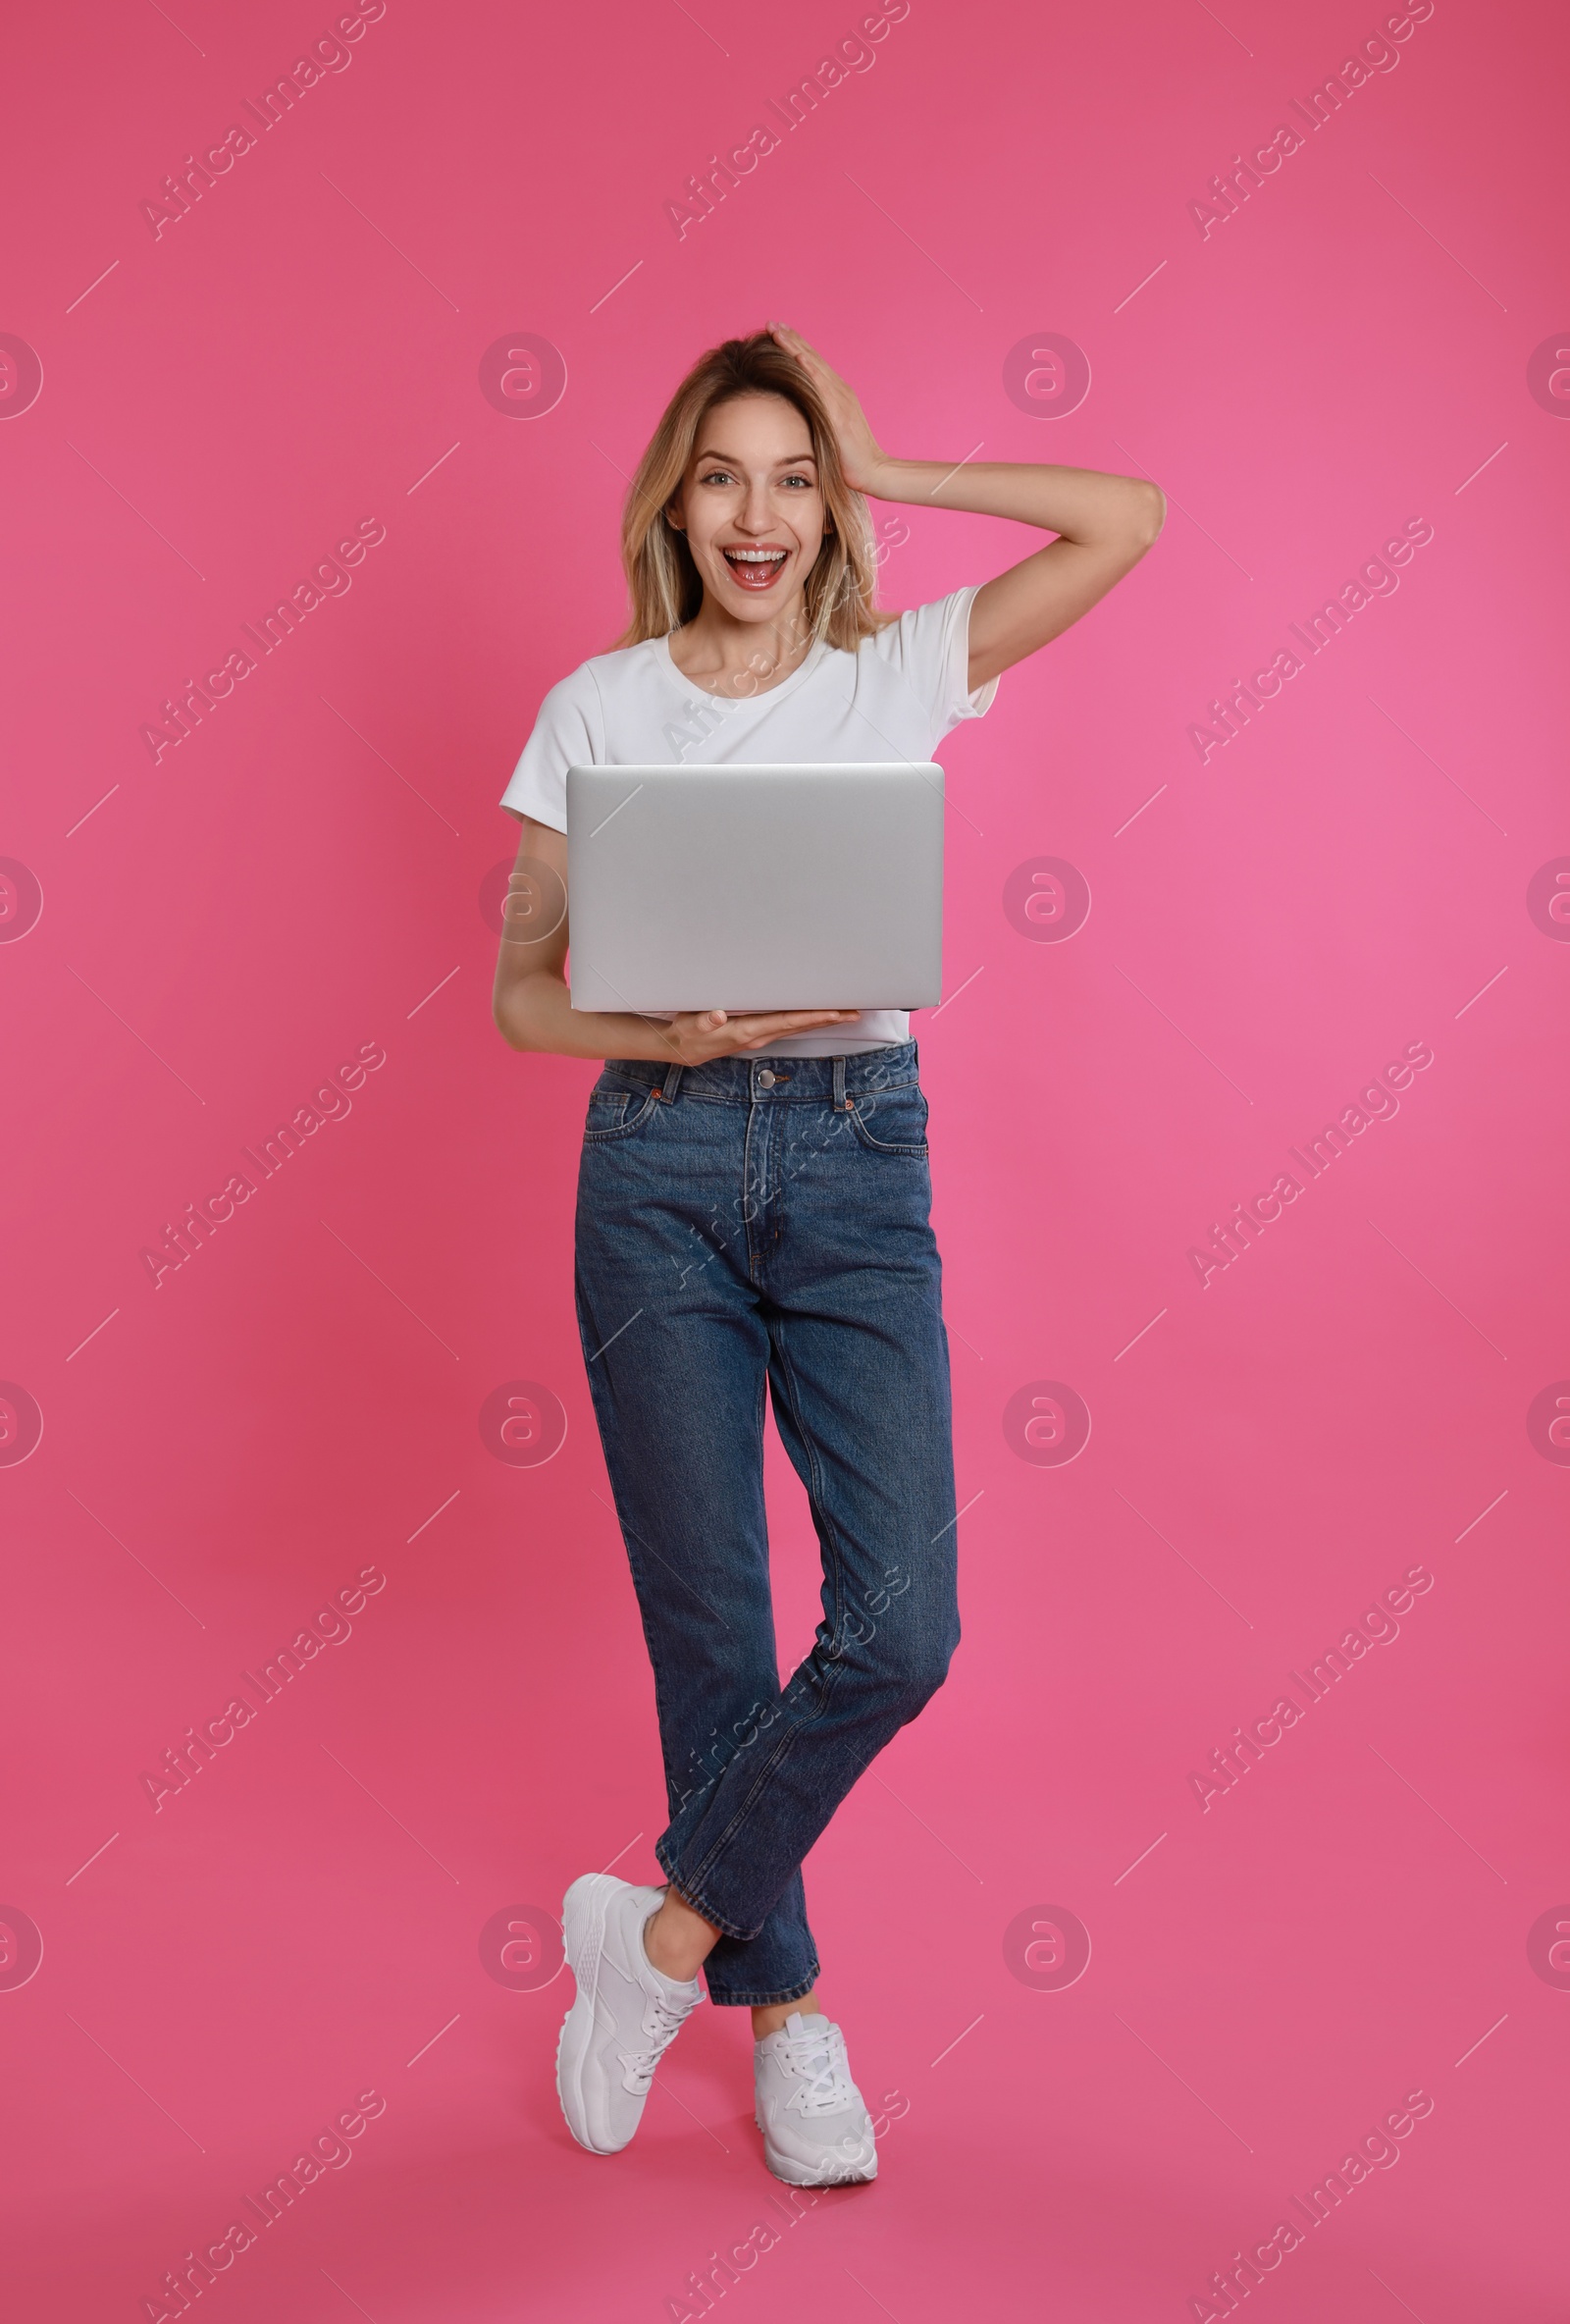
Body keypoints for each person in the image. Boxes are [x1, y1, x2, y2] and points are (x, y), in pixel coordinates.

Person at [492, 324, 1163, 2184]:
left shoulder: (895, 672)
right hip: (656, 1159)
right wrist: (662, 1039)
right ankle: (788, 2021)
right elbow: (514, 998)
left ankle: (659, 1937)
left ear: (828, 499)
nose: (760, 515)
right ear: (675, 502)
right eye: (725, 475)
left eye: (796, 476)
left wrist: (908, 469)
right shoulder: (597, 707)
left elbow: (1130, 522)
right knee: (709, 1623)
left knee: (901, 1625)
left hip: (862, 1157)